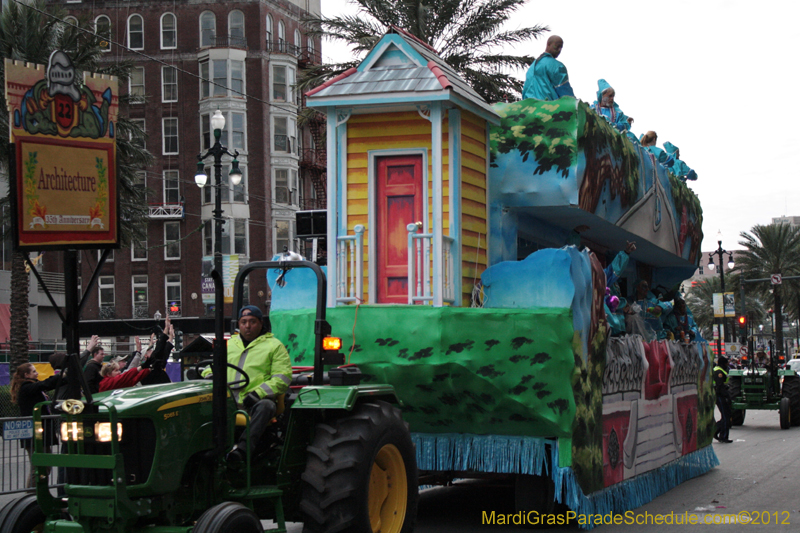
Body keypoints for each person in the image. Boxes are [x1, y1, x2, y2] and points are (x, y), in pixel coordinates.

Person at [224, 305, 292, 462]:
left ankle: (241, 452)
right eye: (244, 322)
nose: (247, 326)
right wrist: (209, 376)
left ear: (261, 323)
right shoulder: (229, 344)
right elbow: (210, 368)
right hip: (228, 402)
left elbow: (282, 378)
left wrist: (258, 394)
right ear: (238, 324)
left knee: (266, 406)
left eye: (252, 322)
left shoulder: (274, 346)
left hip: (255, 403)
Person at [10, 363, 60, 487]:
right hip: (34, 434)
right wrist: (60, 375)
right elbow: (44, 384)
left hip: (40, 433)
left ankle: (39, 493)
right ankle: (31, 496)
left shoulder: (31, 387)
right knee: (38, 467)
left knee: (45, 466)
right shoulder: (27, 387)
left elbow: (44, 385)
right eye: (33, 371)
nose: (36, 373)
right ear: (26, 375)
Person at [521, 35, 574, 101]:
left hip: (528, 107)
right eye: (557, 46)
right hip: (547, 107)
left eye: (561, 47)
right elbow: (565, 93)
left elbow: (525, 90)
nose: (559, 50)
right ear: (548, 44)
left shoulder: (532, 67)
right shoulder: (556, 66)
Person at [714, 356, 733, 443]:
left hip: (721, 395)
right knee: (726, 416)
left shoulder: (721, 370)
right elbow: (720, 385)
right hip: (720, 396)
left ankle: (716, 431)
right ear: (723, 363)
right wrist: (726, 396)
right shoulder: (719, 372)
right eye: (726, 363)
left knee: (727, 415)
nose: (727, 365)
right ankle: (723, 436)